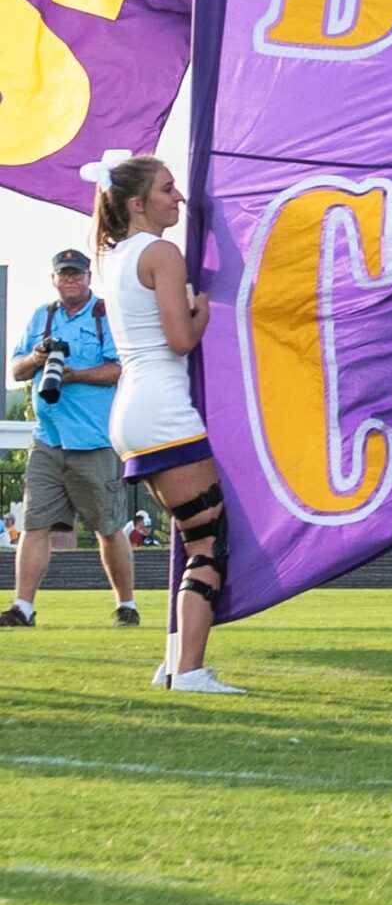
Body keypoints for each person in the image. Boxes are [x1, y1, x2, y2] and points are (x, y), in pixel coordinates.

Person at [91, 156, 242, 693]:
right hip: (161, 408)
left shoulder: (114, 256)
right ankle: (190, 670)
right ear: (137, 204)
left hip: (134, 409)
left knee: (190, 537)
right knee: (208, 540)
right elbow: (181, 339)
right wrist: (202, 311)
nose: (179, 198)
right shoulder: (160, 251)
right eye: (167, 189)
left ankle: (174, 661)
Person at [4, 247, 138, 630]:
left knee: (108, 528)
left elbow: (119, 368)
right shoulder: (42, 317)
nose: (71, 280)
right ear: (54, 279)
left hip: (93, 441)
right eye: (64, 274)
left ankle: (126, 604)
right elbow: (16, 370)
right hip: (48, 440)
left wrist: (73, 373)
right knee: (34, 525)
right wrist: (38, 357)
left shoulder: (105, 316)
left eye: (77, 274)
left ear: (88, 278)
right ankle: (23, 608)